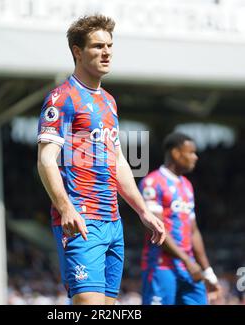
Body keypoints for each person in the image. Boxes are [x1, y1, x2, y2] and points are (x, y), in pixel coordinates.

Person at [37, 14, 165, 305]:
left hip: (112, 222)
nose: (106, 52)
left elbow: (117, 160)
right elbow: (46, 160)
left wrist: (143, 211)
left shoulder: (108, 101)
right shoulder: (62, 98)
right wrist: (66, 207)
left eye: (109, 45)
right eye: (97, 46)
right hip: (82, 221)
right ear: (77, 51)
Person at [139, 132, 221, 305]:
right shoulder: (152, 183)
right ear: (176, 153)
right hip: (161, 266)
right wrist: (186, 260)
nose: (195, 157)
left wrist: (207, 271)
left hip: (189, 268)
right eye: (190, 152)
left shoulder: (187, 185)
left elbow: (193, 231)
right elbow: (156, 228)